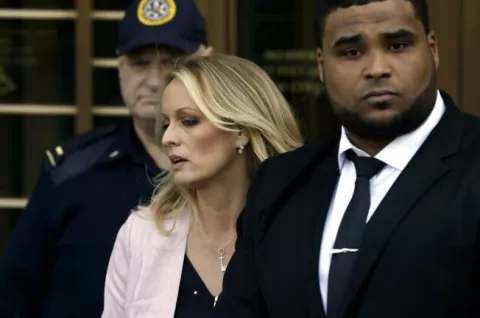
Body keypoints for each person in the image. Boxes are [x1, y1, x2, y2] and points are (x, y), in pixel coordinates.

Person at [216, 0, 480, 317]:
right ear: (321, 65)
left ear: (432, 49)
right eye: (352, 52)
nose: (377, 68)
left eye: (397, 45)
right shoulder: (279, 183)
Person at [0, 0, 212, 317]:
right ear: (119, 66)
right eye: (139, 63)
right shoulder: (72, 172)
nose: (155, 81)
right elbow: (13, 298)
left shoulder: (233, 171)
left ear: (206, 62)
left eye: (171, 62)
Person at [101, 53, 304, 318]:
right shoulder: (140, 235)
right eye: (165, 124)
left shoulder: (301, 231)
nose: (168, 138)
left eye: (188, 121)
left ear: (241, 130)